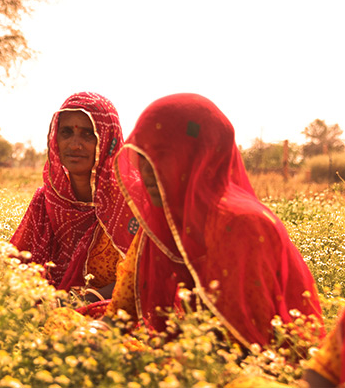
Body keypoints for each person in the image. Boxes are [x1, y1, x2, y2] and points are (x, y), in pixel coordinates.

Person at [106, 93, 324, 350]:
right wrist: (96, 334)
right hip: (188, 354)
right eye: (143, 155)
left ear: (201, 158)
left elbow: (247, 345)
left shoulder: (242, 226)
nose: (147, 170)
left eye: (163, 155)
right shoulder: (162, 223)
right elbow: (121, 311)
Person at [10, 92, 137, 298]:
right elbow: (16, 265)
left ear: (108, 140)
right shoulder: (47, 199)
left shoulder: (128, 202)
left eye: (88, 134)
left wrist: (77, 302)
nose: (74, 145)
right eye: (66, 133)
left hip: (113, 309)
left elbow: (141, 279)